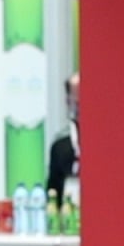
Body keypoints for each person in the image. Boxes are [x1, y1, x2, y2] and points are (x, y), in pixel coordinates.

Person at [46, 72, 81, 201]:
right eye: (76, 102)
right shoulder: (60, 147)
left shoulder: (105, 143)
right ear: (68, 101)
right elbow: (52, 193)